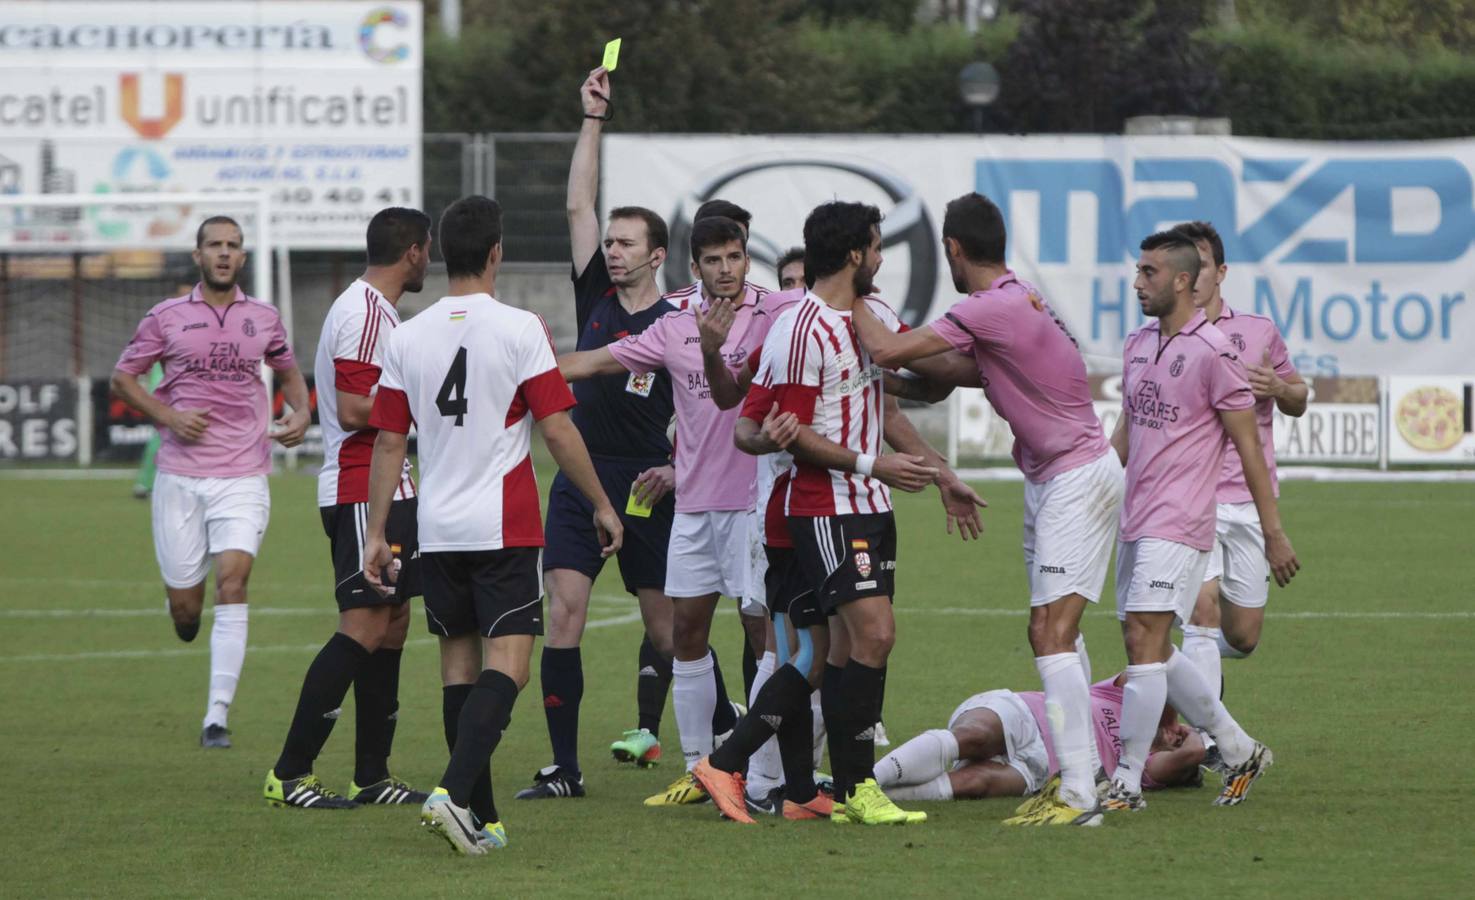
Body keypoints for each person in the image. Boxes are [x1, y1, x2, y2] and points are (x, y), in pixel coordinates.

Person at [850, 192, 1122, 826]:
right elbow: (946, 371)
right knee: (1063, 634)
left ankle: (1080, 794)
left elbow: (891, 350)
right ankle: (1079, 775)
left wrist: (843, 287)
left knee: (1047, 633)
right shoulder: (1016, 299)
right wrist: (872, 377)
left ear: (952, 250)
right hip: (1061, 477)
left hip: (1076, 479)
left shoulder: (989, 305)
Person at [361, 195, 622, 855]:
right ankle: (451, 794)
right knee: (510, 667)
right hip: (503, 525)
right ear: (497, 252)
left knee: (458, 669)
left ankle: (481, 818)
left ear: (442, 253)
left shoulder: (407, 334)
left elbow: (389, 442)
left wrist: (375, 531)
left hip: (438, 528)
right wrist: (600, 502)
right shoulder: (518, 327)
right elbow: (557, 428)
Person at [725, 200, 983, 826]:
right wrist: (875, 466)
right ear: (851, 255)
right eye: (874, 245)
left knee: (838, 650)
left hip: (869, 504)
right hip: (825, 506)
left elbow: (909, 391)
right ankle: (838, 783)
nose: (882, 257)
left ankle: (836, 790)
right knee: (867, 637)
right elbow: (784, 432)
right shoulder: (802, 327)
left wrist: (943, 468)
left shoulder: (869, 320)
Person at [518, 66, 720, 801]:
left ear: (658, 255)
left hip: (648, 483)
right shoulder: (593, 296)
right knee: (562, 610)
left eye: (627, 243)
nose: (612, 250)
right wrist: (592, 118)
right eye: (609, 241)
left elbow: (706, 411)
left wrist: (673, 466)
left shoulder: (678, 325)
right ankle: (564, 769)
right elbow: (576, 200)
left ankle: (721, 737)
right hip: (581, 473)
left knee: (671, 632)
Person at [557, 215, 770, 807]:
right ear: (694, 267)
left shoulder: (775, 316)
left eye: (735, 257)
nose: (725, 269)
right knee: (687, 635)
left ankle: (773, 776)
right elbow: (595, 361)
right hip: (694, 507)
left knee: (763, 634)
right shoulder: (674, 327)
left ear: (747, 260)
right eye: (714, 260)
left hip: (752, 505)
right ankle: (698, 769)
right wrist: (520, 371)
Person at [1103, 230, 1300, 813]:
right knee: (1150, 642)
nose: (1138, 282)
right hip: (1135, 517)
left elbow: (1250, 451)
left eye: (1148, 273)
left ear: (1183, 281)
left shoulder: (1216, 353)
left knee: (1146, 639)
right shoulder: (1138, 344)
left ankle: (1126, 784)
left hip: (1184, 521)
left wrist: (1273, 531)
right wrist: (1089, 484)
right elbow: (1127, 429)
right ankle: (1239, 749)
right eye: (1138, 271)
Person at [111, 216, 310, 748]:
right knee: (186, 610)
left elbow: (289, 372)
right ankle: (183, 614)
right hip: (179, 476)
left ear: (242, 257)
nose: (224, 253)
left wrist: (302, 411)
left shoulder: (263, 318)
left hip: (244, 472)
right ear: (198, 256)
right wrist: (168, 416)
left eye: (233, 246)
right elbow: (123, 379)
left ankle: (216, 717)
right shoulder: (166, 317)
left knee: (234, 583)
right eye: (214, 245)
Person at [262, 207, 433, 810]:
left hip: (388, 487)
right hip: (363, 488)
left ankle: (372, 775)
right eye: (426, 250)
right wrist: (429, 406)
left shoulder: (375, 310)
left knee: (392, 625)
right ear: (413, 251)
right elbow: (359, 408)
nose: (430, 261)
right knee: (362, 626)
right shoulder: (363, 312)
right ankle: (289, 774)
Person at [1171, 221, 1307, 699]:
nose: (1191, 274)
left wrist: (1281, 388)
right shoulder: (1165, 336)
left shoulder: (1258, 332)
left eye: (1201, 264)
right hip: (1193, 499)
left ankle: (1170, 667)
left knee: (1243, 636)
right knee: (1202, 614)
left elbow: (1298, 397)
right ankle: (1212, 741)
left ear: (1220, 271)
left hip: (1249, 501)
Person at [873, 673, 1206, 804]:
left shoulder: (1142, 768)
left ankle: (880, 797)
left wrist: (1193, 738)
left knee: (976, 784)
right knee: (975, 736)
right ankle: (862, 783)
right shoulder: (1126, 699)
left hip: (1038, 769)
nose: (1177, 733)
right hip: (1024, 714)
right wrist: (1170, 719)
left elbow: (1189, 757)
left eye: (1178, 737)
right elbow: (1155, 672)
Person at [131, 280, 195, 500]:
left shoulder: (203, 319)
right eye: (183, 294)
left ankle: (173, 480)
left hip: (186, 377)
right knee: (163, 432)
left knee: (176, 433)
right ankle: (145, 483)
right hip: (163, 375)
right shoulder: (166, 317)